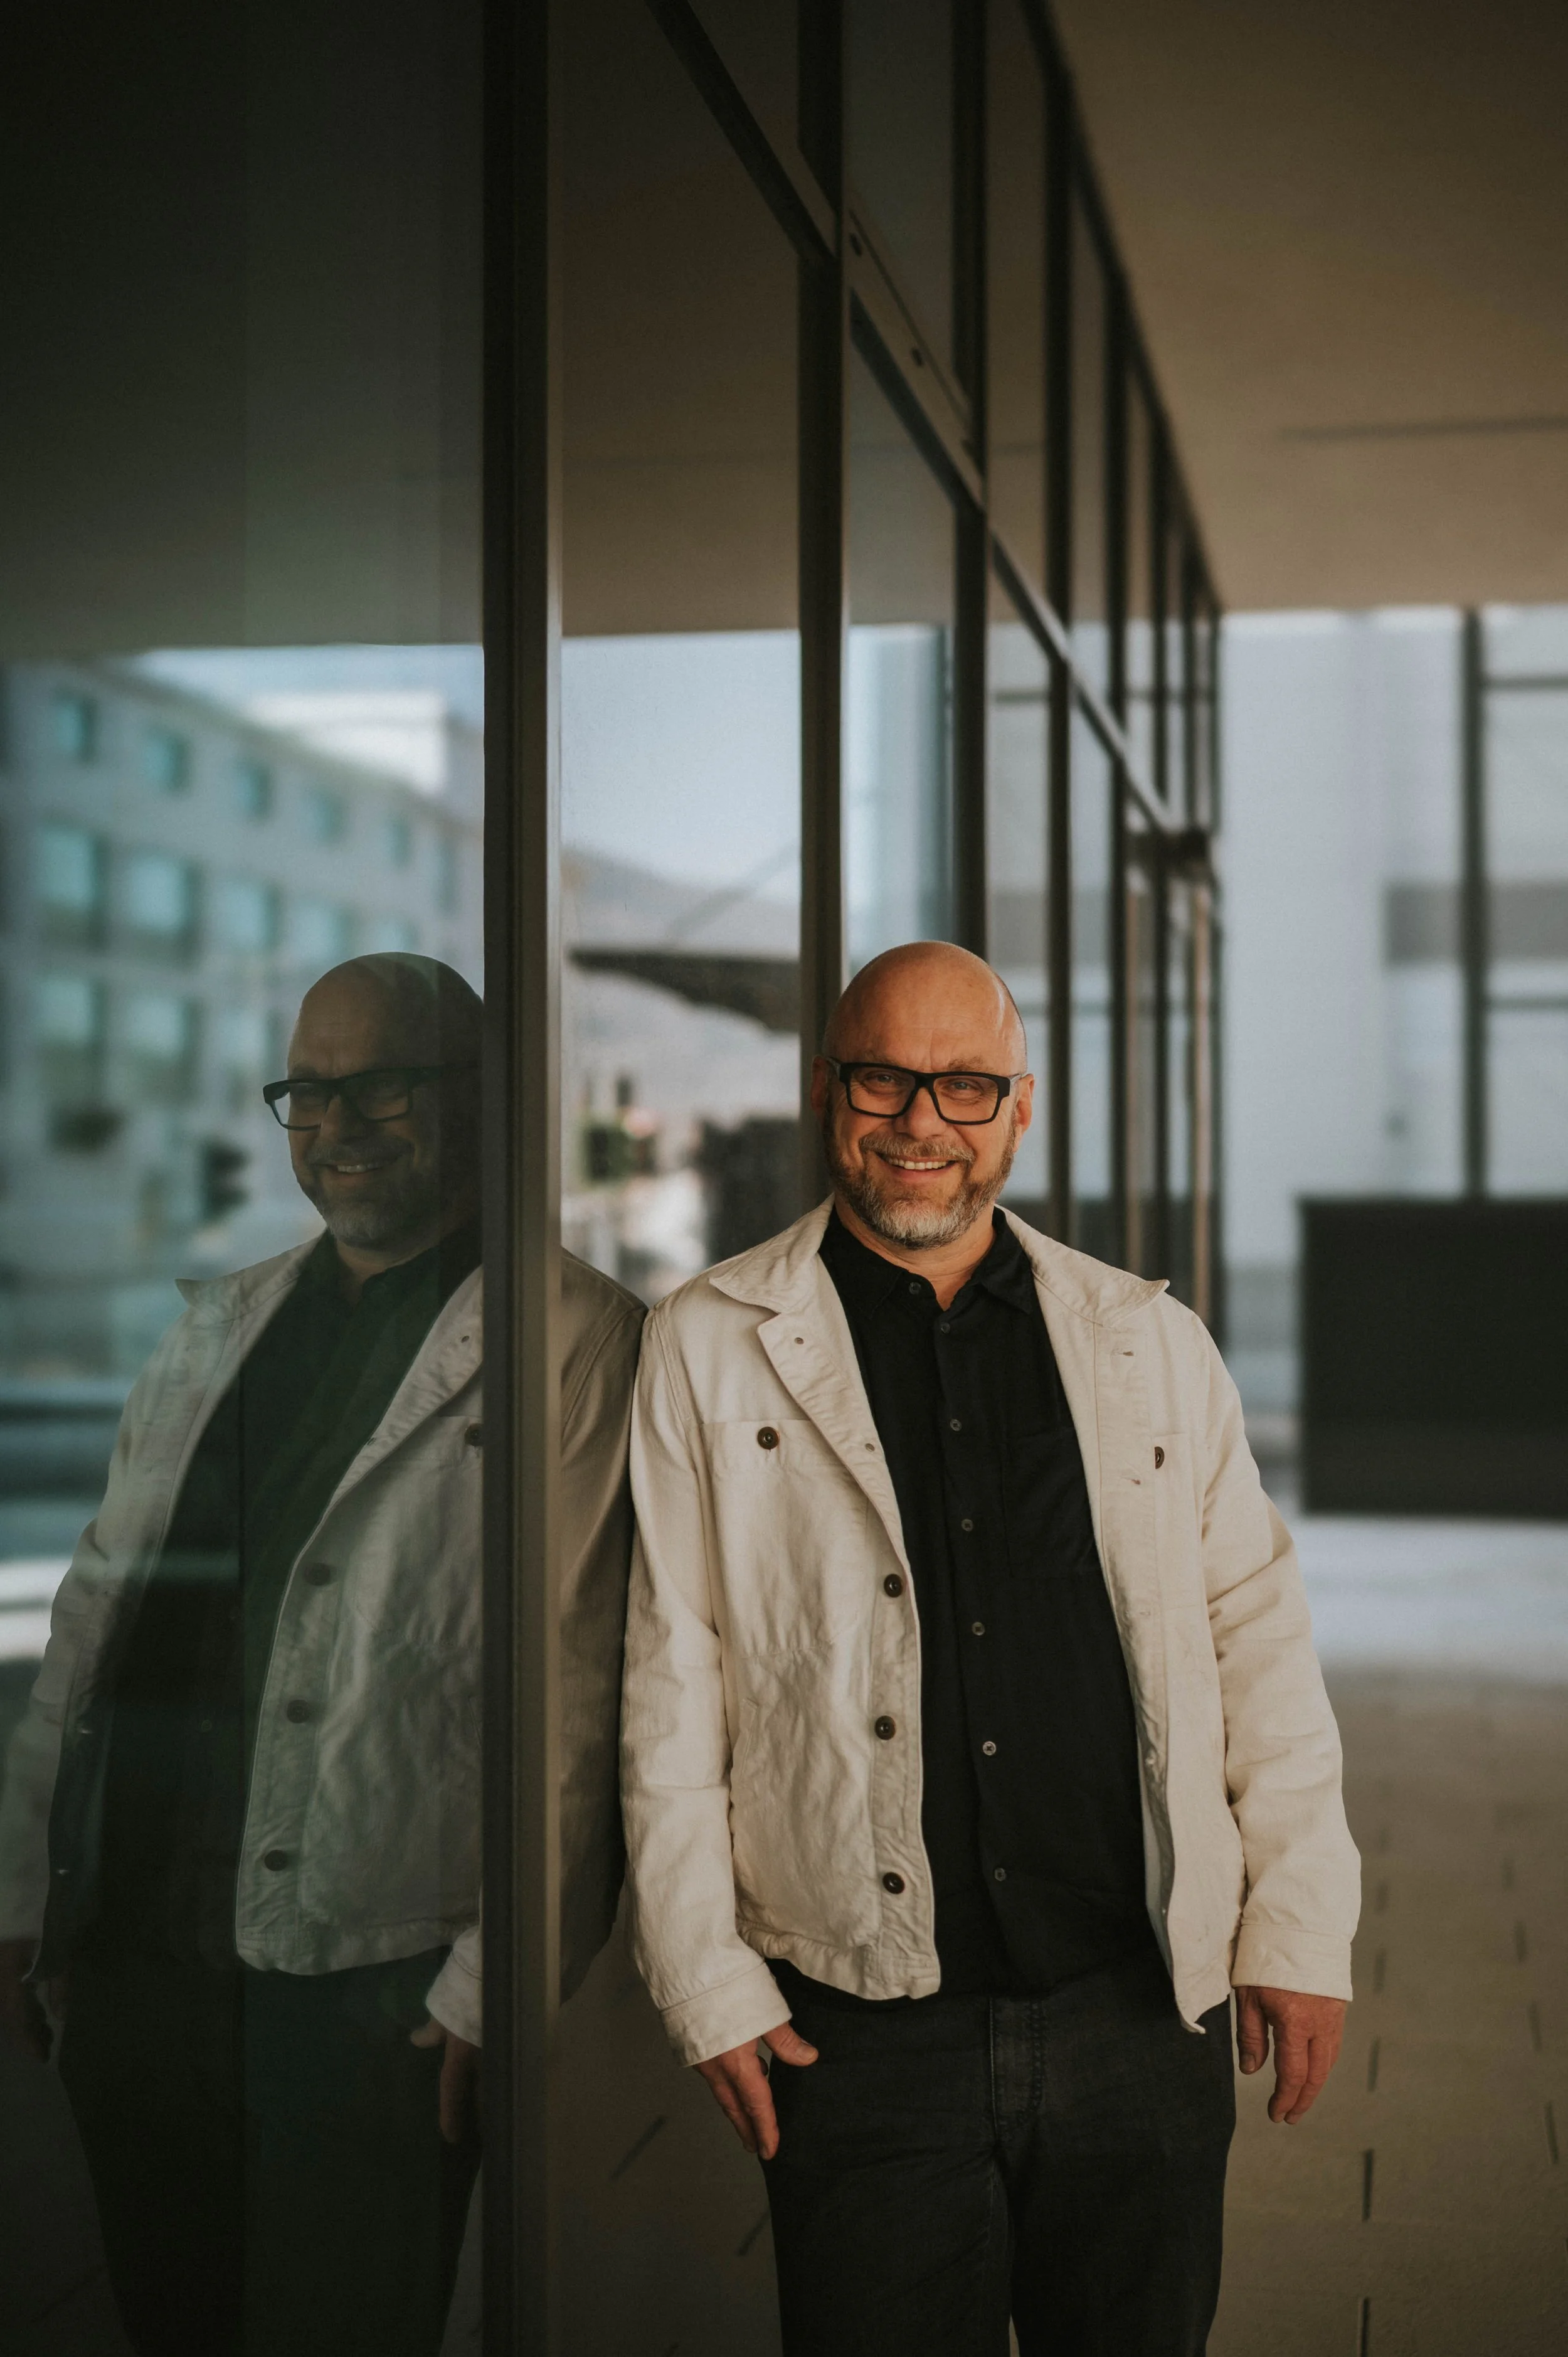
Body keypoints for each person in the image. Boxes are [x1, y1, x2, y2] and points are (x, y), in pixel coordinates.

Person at [620, 939, 1360, 2357]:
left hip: (1136, 2009)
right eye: (885, 1078)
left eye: (963, 1087)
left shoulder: (1148, 1342)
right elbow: (672, 1673)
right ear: (828, 1089)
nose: (921, 1124)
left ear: (1018, 1110)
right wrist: (703, 1976)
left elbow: (1256, 1638)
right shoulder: (707, 1344)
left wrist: (1296, 1920)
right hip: (855, 2021)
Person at [0, 954, 644, 2357]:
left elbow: (583, 1700)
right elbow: (94, 1618)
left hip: (368, 1991)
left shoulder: (573, 1339)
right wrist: (22, 1890)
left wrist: (494, 1984)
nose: (337, 1124)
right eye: (309, 1091)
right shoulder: (218, 1327)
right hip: (135, 1958)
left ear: (476, 1099)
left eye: (382, 1086)